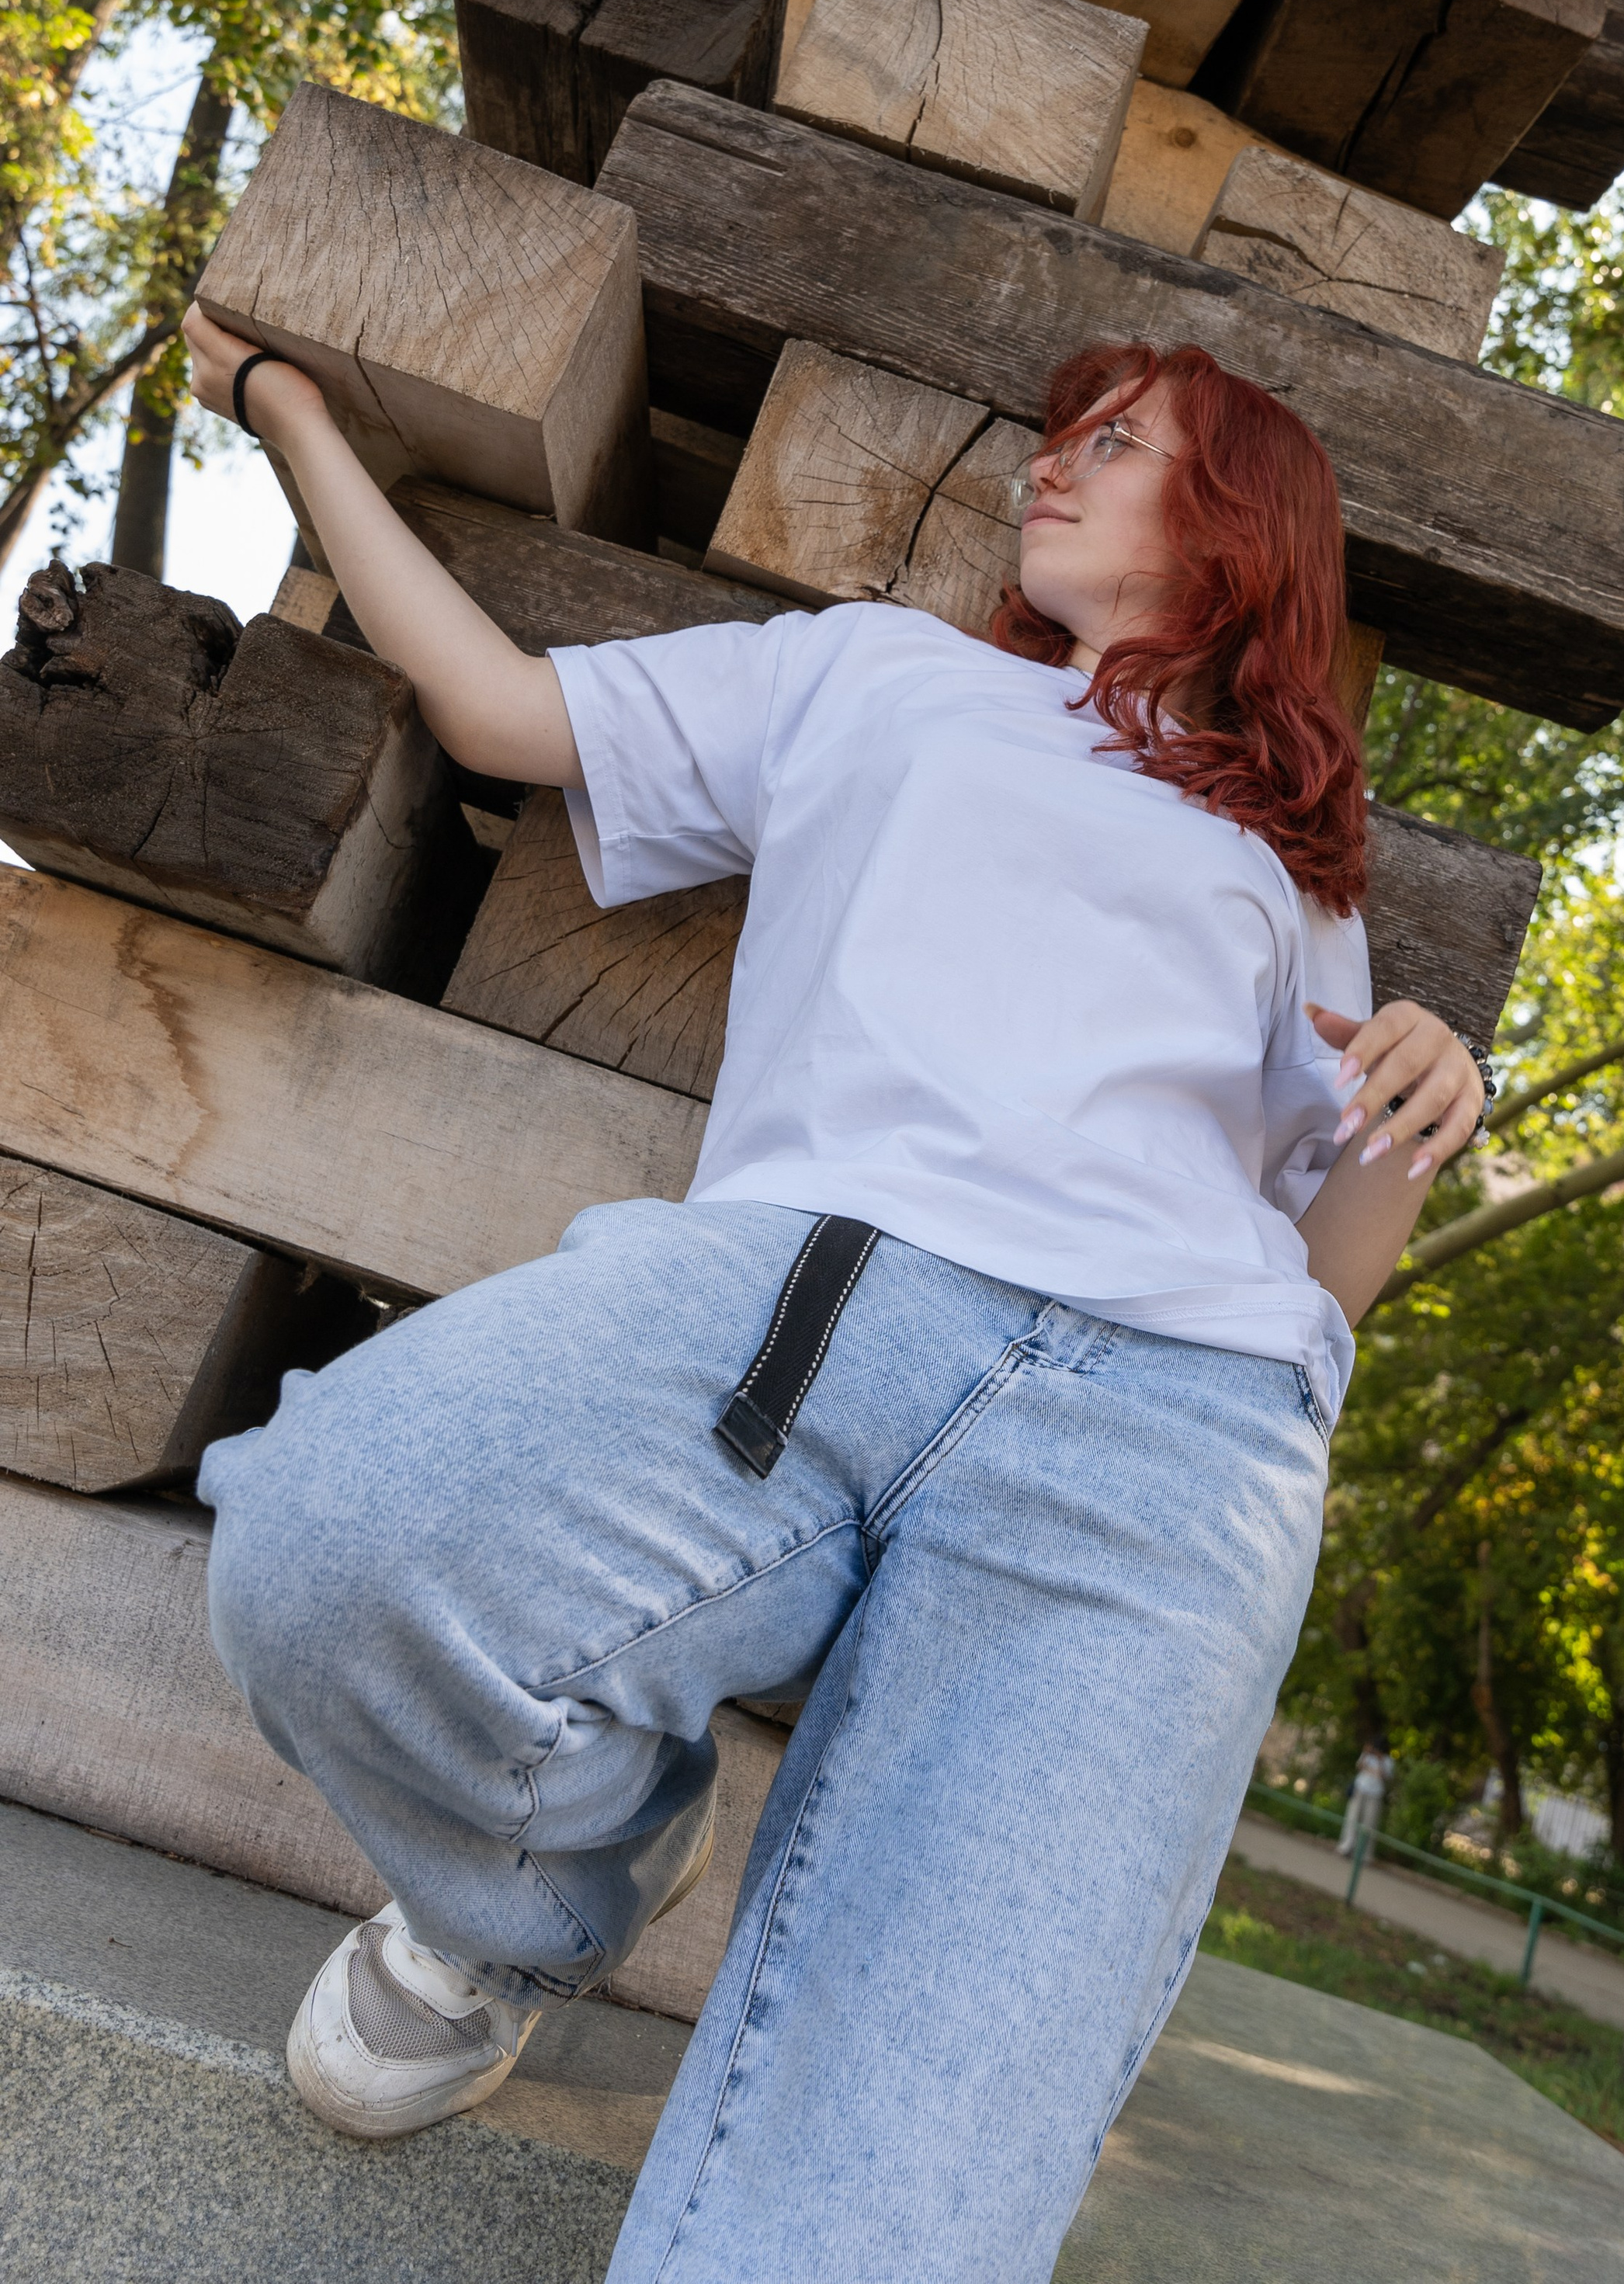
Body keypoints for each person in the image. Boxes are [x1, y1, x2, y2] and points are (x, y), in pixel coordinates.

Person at [182, 299, 1490, 2284]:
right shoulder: (875, 673)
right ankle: (541, 1894)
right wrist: (286, 411)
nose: (1051, 458)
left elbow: (1320, 1276)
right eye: (1064, 431)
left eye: (1118, 442)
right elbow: (500, 709)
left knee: (903, 2186)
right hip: (809, 1296)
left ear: (1241, 524)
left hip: (1167, 1436)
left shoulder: (1286, 862)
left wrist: (1413, 1106)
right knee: (328, 1542)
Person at [1338, 1741, 1396, 1858]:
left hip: (1375, 1794)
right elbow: (1359, 1767)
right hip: (1360, 1789)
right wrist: (1365, 1753)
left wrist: (1380, 1760)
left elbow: (1384, 1776)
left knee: (1369, 1824)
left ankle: (1364, 1854)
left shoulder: (1388, 1761)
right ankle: (1346, 1846)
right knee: (1353, 1818)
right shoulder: (1368, 1756)